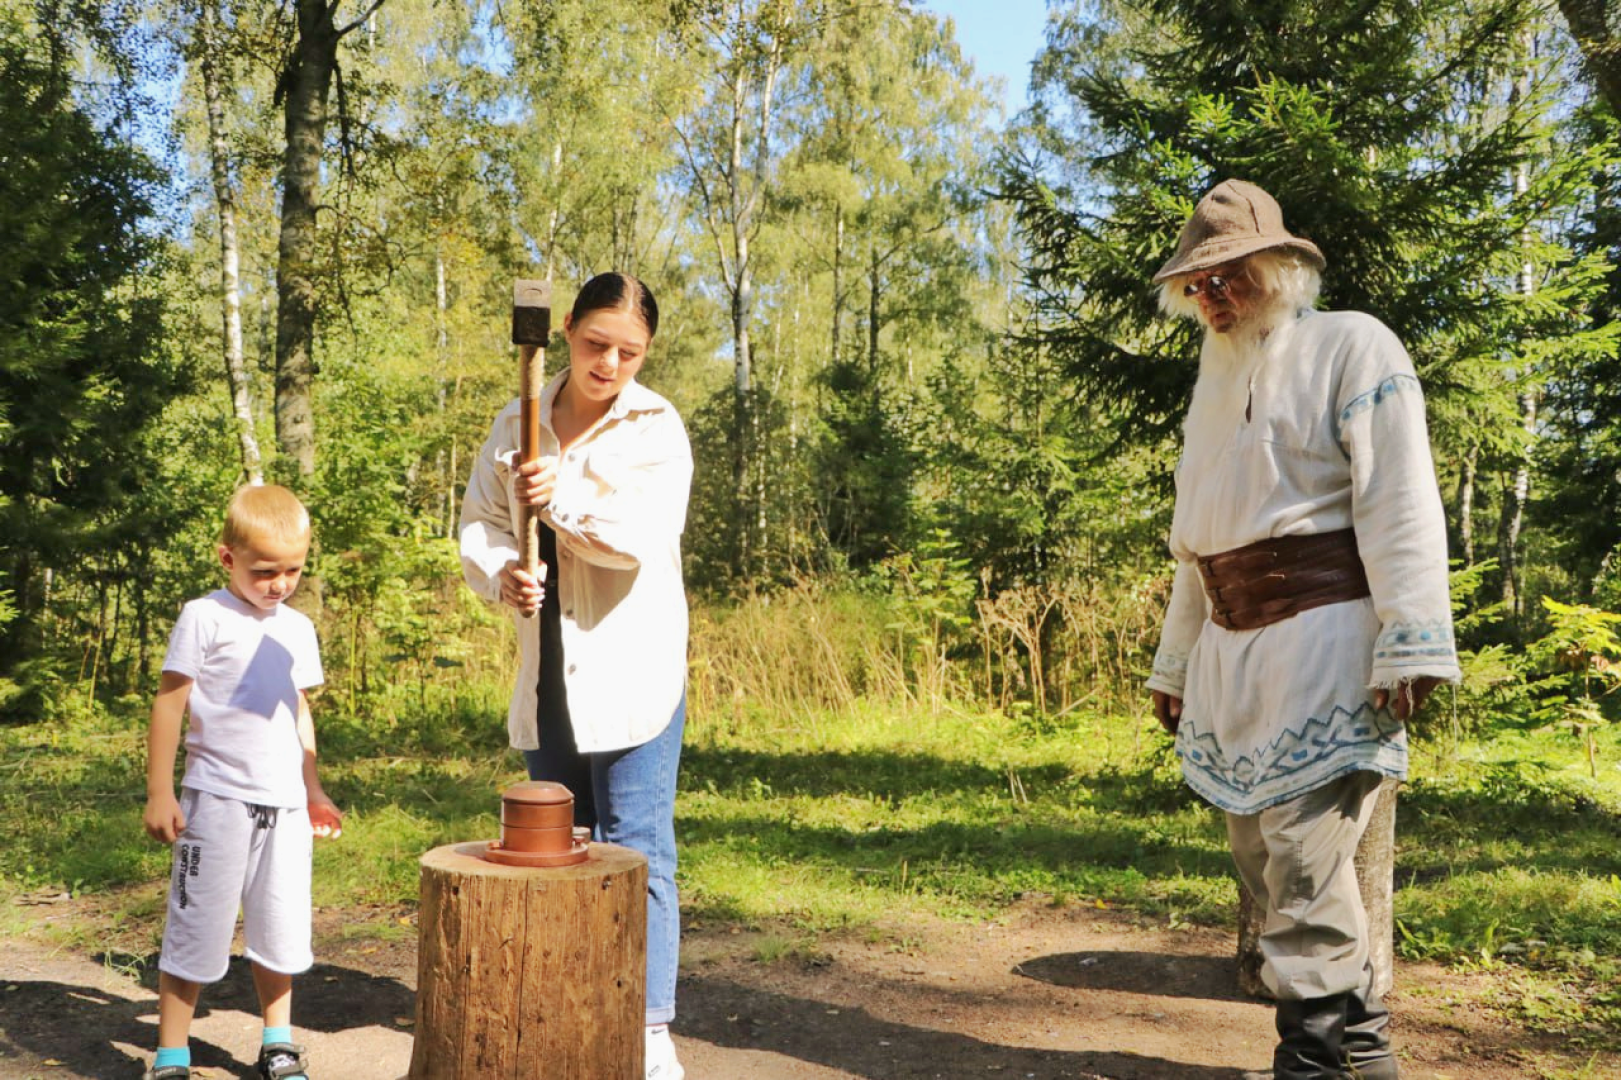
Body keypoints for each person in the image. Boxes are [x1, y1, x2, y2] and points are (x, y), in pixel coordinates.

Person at [1144, 180, 1460, 1080]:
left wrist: (1411, 637)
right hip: (1233, 655)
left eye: (1228, 275)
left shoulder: (1350, 344)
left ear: (1280, 269)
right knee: (1264, 858)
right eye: (1196, 285)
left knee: (1304, 859)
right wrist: (1175, 666)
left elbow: (1399, 496)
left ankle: (1312, 1067)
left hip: (1327, 639)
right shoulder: (1214, 383)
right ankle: (1365, 1056)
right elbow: (1196, 548)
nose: (1211, 296)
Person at [459, 271, 693, 1080]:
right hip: (550, 669)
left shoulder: (656, 428)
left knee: (637, 849)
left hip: (634, 666)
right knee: (559, 845)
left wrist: (559, 502)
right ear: (563, 330)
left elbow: (636, 539)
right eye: (596, 344)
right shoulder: (514, 422)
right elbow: (482, 523)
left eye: (629, 352)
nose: (610, 364)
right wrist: (501, 576)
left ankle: (647, 1027)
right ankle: (567, 1010)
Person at [142, 484, 342, 1080]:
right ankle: (172, 1052)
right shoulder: (204, 616)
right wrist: (160, 790)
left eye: (293, 570)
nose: (279, 583)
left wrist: (314, 789)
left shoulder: (298, 628)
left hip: (283, 807)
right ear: (227, 559)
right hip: (216, 801)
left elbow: (297, 710)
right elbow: (169, 703)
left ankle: (278, 1042)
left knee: (280, 927)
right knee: (196, 925)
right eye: (264, 571)